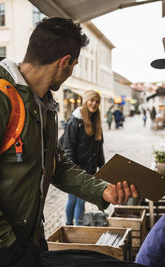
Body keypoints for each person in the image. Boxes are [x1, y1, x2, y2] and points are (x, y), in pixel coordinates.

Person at [0, 17, 138, 265]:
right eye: (73, 66)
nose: (70, 73)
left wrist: (102, 191)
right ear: (65, 62)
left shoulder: (44, 107)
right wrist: (6, 246)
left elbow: (58, 166)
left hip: (23, 245)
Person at [60, 90, 105, 225]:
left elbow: (99, 147)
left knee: (80, 201)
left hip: (89, 169)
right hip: (77, 169)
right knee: (74, 200)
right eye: (91, 100)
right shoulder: (75, 121)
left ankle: (76, 228)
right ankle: (70, 226)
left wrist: (102, 167)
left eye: (97, 102)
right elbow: (68, 148)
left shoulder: (96, 121)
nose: (94, 104)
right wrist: (73, 171)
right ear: (85, 101)